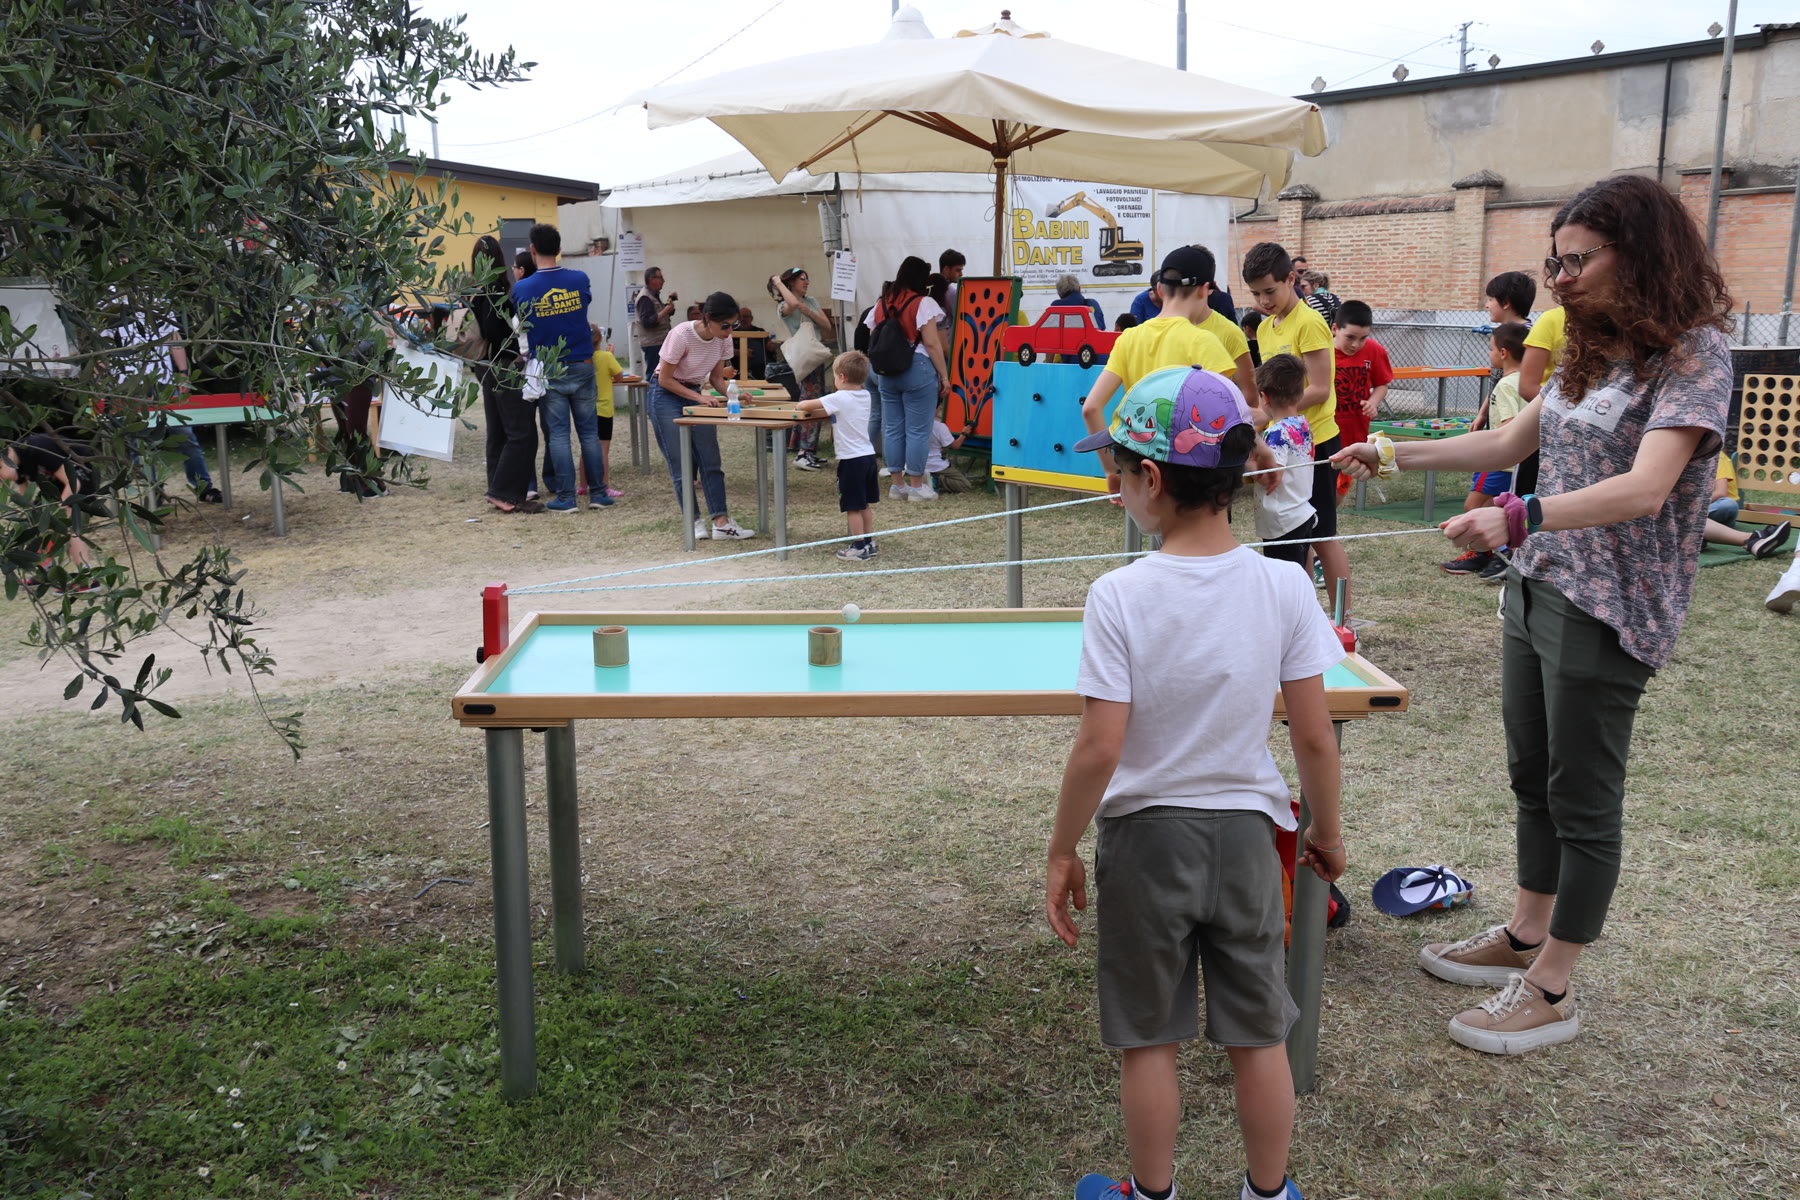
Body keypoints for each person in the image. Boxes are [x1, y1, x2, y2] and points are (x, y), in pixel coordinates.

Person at [1333, 173, 1735, 1054]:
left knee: (1583, 798)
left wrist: (1518, 515)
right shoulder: (1589, 347)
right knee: (1532, 777)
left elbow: (1647, 488)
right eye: (1553, 261)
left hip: (1611, 606)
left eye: (1578, 259)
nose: (1559, 278)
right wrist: (1394, 451)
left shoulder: (1695, 357)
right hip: (1538, 583)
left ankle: (1553, 985)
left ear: (1642, 253)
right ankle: (1522, 933)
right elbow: (1514, 443)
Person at [1049, 365, 1346, 1200]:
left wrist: (1060, 850)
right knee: (1259, 1035)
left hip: (1147, 842)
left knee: (1150, 1038)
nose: (1113, 484)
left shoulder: (1118, 594)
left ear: (1149, 480)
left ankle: (1151, 1196)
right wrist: (1325, 833)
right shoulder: (1287, 583)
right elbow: (1316, 738)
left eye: (1117, 469)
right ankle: (1269, 1192)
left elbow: (1100, 749)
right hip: (1252, 839)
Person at [1080, 247, 1240, 503]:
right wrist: (1261, 453)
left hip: (1142, 471)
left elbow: (1090, 409)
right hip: (1191, 477)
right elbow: (1229, 414)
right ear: (1205, 289)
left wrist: (1112, 470)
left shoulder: (1128, 338)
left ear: (1161, 290)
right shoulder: (1204, 342)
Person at [1243, 241, 1351, 607]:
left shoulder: (1310, 323)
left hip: (1314, 442)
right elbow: (1270, 386)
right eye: (1256, 294)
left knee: (1323, 535)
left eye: (1270, 291)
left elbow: (1320, 389)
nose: (1264, 300)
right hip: (1283, 442)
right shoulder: (1266, 326)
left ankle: (1343, 621)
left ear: (1291, 278)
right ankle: (1302, 615)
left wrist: (1273, 413)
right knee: (1294, 536)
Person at [511, 223, 611, 512]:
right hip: (582, 362)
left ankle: (567, 498)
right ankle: (598, 493)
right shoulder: (579, 279)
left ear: (532, 251)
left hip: (549, 367)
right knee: (589, 432)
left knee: (558, 434)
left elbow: (522, 323)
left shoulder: (522, 288)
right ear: (559, 249)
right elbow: (585, 306)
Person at [649, 291, 755, 541]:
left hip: (693, 391)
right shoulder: (681, 334)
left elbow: (717, 378)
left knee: (711, 460)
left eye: (734, 325)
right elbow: (665, 379)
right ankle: (694, 521)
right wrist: (699, 398)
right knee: (681, 464)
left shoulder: (723, 339)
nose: (729, 331)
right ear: (708, 318)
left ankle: (721, 522)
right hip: (665, 394)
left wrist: (733, 394)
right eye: (725, 325)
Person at [1441, 322, 1530, 578]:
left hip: (1500, 462)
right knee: (1497, 509)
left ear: (1503, 353)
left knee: (1472, 507)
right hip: (1519, 464)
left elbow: (1510, 427)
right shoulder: (1527, 381)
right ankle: (1490, 556)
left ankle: (1506, 555)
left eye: (1490, 349)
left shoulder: (1505, 385)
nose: (1488, 354)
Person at [865, 255, 950, 501]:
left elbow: (874, 335)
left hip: (887, 372)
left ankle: (897, 485)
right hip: (918, 368)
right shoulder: (923, 302)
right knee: (918, 431)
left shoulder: (881, 303)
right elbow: (933, 344)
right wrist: (944, 376)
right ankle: (916, 486)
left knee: (891, 428)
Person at [468, 234, 542, 513]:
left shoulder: (474, 289)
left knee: (498, 432)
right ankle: (506, 493)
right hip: (503, 366)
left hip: (483, 366)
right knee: (521, 432)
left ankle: (497, 490)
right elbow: (495, 330)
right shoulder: (495, 291)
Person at [796, 350, 879, 561]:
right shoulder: (865, 395)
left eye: (834, 376)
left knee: (852, 506)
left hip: (851, 460)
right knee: (864, 504)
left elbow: (805, 405)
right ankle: (869, 541)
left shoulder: (839, 397)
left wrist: (801, 405)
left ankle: (858, 546)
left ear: (841, 377)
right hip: (868, 456)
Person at [3, 432, 100, 578]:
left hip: (79, 479)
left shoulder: (37, 447)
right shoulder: (17, 461)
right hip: (54, 485)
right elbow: (25, 492)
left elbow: (74, 485)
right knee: (36, 523)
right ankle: (45, 571)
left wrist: (56, 511)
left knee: (68, 522)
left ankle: (86, 577)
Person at [1253, 354, 1317, 571]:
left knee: (1284, 578)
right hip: (1302, 512)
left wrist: (1244, 461)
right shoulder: (1302, 425)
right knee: (1299, 572)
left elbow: (1269, 477)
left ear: (1264, 397)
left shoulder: (1276, 434)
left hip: (1283, 522)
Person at [769, 266, 837, 471]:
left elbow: (827, 326)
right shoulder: (784, 306)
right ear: (791, 283)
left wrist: (809, 311)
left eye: (807, 279)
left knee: (809, 401)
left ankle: (805, 449)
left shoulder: (811, 301)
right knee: (811, 403)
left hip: (814, 356)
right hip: (804, 359)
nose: (806, 282)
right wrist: (778, 281)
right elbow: (792, 303)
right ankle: (804, 452)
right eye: (802, 279)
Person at [1330, 301, 1393, 505]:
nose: (1356, 344)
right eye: (1350, 337)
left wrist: (1373, 402)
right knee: (1320, 489)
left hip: (1354, 436)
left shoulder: (1374, 351)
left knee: (1337, 496)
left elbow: (1382, 384)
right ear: (1335, 329)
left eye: (1363, 338)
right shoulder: (1321, 352)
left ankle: (1325, 529)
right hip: (1325, 434)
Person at [1702, 452, 1791, 557]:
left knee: (1728, 504)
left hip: (1710, 507)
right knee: (1687, 520)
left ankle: (1753, 539)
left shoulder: (1715, 455)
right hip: (1691, 514)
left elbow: (1721, 492)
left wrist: (1694, 507)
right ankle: (1753, 539)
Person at [593, 336, 627, 500]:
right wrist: (611, 356)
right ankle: (604, 485)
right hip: (604, 409)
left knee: (587, 448)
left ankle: (583, 485)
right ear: (600, 339)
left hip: (587, 408)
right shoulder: (606, 357)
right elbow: (619, 377)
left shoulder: (582, 358)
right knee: (603, 450)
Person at [636, 267, 676, 379]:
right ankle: (652, 396)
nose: (663, 281)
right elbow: (648, 322)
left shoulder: (653, 295)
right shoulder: (645, 298)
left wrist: (670, 301)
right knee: (654, 375)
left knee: (661, 373)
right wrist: (666, 310)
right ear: (652, 279)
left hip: (659, 341)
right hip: (653, 343)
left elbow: (660, 314)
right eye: (661, 277)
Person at [925, 398, 971, 494]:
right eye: (940, 408)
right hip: (936, 465)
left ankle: (925, 479)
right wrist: (964, 434)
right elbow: (955, 446)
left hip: (917, 465)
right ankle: (936, 481)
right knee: (965, 485)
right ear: (935, 409)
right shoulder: (939, 427)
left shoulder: (912, 424)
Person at [736, 307, 771, 380]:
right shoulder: (731, 333)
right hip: (737, 369)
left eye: (745, 317)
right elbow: (724, 349)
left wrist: (770, 347)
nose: (742, 319)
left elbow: (769, 348)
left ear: (751, 318)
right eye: (740, 317)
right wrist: (740, 352)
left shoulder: (760, 331)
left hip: (758, 370)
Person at [939, 248, 966, 322]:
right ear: (946, 269)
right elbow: (960, 320)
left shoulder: (931, 288)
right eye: (958, 270)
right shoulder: (952, 293)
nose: (961, 274)